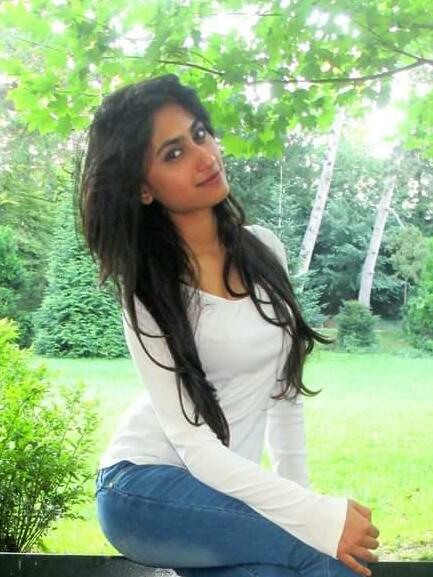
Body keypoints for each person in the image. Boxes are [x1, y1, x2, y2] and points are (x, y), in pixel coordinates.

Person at [78, 74, 380, 577]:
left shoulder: (265, 250)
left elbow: (284, 396)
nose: (204, 156)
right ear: (143, 188)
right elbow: (194, 447)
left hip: (220, 495)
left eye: (200, 134)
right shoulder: (148, 289)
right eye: (174, 153)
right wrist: (315, 518)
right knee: (332, 558)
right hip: (142, 491)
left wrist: (303, 501)